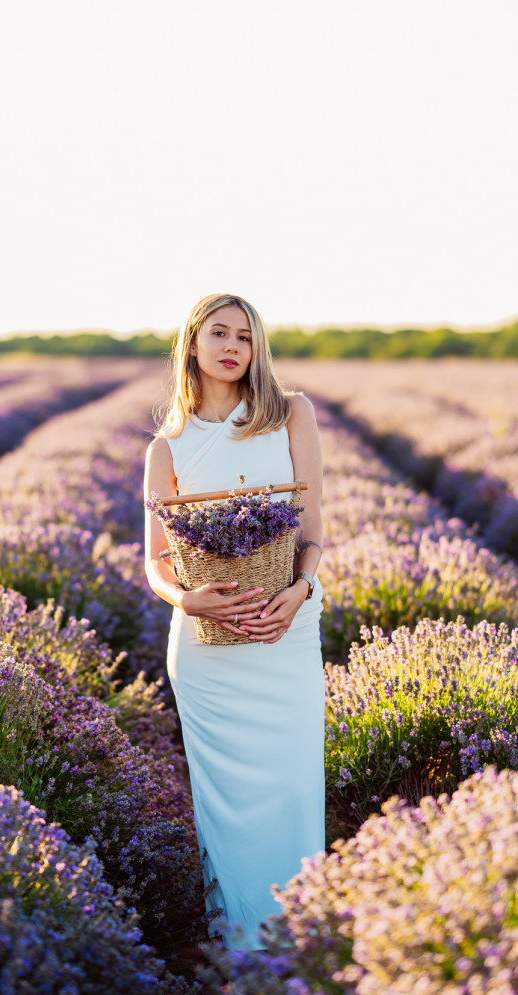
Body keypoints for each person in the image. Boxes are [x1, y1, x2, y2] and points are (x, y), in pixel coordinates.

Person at [143, 293, 325, 950]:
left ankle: (301, 941)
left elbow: (313, 533)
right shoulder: (167, 448)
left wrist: (301, 590)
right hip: (208, 651)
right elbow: (157, 562)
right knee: (225, 811)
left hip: (286, 631)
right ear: (191, 344)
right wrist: (185, 599)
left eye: (245, 337)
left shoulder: (290, 414)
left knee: (295, 789)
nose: (232, 346)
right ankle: (242, 955)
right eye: (218, 333)